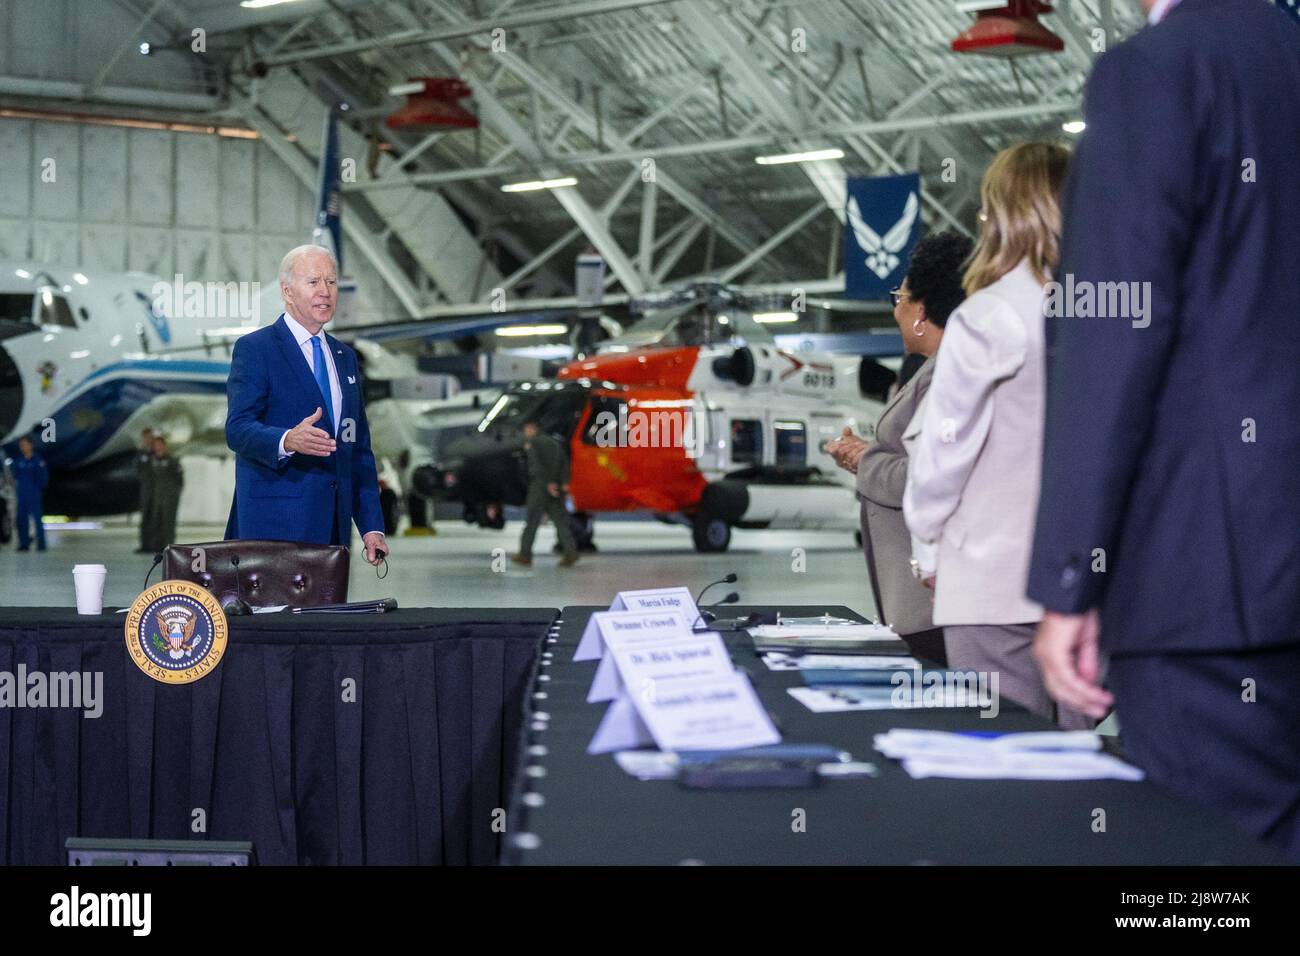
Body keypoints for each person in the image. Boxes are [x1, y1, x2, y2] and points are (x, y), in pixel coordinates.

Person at [1027, 0, 1300, 860]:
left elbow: (1111, 331)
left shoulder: (1157, 72)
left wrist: (1073, 575)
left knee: (1198, 893)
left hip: (1209, 586)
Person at [902, 142, 1088, 728]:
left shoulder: (986, 316)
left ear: (1003, 216)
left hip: (991, 576)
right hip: (1088, 577)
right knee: (1090, 760)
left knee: (1006, 763)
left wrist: (925, 541)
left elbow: (946, 448)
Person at [827, 231, 972, 665]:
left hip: (933, 606)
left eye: (900, 297)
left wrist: (865, 459)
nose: (896, 308)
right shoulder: (935, 370)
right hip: (924, 600)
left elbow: (929, 476)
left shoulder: (950, 373)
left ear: (922, 311)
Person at [224, 245, 388, 566]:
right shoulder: (256, 349)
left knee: (325, 617)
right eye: (313, 282)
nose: (325, 292)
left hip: (333, 534)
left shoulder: (345, 358)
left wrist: (371, 527)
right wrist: (287, 440)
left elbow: (357, 449)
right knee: (278, 618)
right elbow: (238, 429)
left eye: (331, 282)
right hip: (274, 529)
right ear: (287, 291)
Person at [511, 418, 578, 568]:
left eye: (526, 429)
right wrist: (563, 482)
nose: (525, 433)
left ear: (532, 428)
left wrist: (548, 484)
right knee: (560, 522)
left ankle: (525, 554)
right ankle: (570, 552)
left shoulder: (533, 444)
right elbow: (564, 462)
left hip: (540, 488)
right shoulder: (554, 443)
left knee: (532, 522)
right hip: (557, 489)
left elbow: (537, 467)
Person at [145, 435, 183, 552]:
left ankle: (168, 547)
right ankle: (156, 546)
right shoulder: (152, 461)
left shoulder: (172, 460)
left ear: (164, 446)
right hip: (157, 496)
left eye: (160, 444)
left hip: (170, 497)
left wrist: (174, 493)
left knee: (168, 522)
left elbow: (179, 479)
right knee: (156, 521)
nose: (158, 447)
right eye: (156, 445)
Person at [11, 437, 48, 552]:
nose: (23, 447)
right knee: (22, 519)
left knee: (37, 519)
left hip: (34, 493)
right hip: (21, 494)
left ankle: (41, 544)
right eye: (21, 445)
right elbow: (14, 475)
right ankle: (24, 544)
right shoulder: (18, 460)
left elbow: (43, 477)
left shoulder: (37, 460)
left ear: (31, 445)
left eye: (25, 444)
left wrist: (37, 488)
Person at [136, 427, 155, 553]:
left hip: (157, 489)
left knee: (157, 518)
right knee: (145, 518)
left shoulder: (157, 452)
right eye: (146, 437)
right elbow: (138, 469)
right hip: (146, 489)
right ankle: (144, 544)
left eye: (150, 437)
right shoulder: (141, 454)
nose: (148, 440)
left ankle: (156, 543)